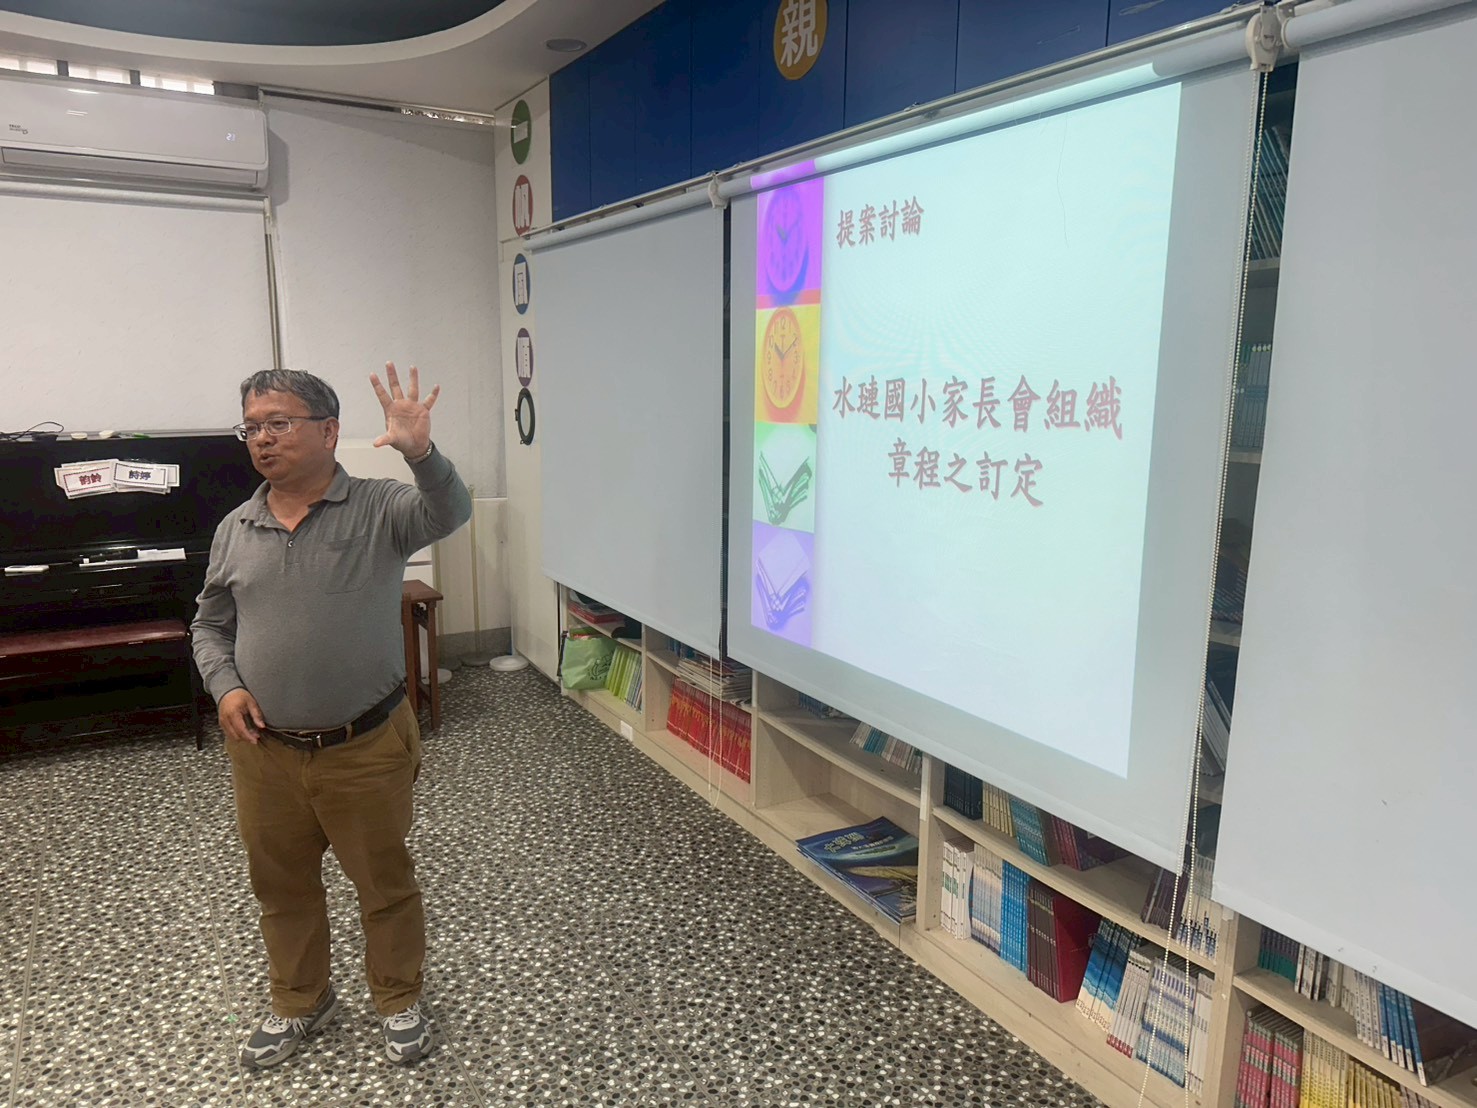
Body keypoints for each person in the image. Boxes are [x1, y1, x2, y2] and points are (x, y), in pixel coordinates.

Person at [191, 364, 471, 1068]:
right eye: (251, 427)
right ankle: (300, 1000)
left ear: (328, 431)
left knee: (383, 882)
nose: (261, 438)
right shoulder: (235, 527)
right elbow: (210, 625)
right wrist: (225, 687)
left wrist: (421, 454)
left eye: (278, 423)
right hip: (265, 753)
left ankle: (398, 997)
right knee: (281, 887)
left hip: (363, 744)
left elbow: (449, 512)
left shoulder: (379, 506)